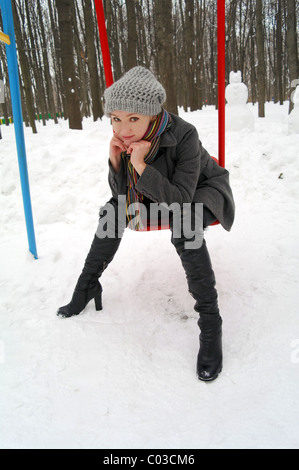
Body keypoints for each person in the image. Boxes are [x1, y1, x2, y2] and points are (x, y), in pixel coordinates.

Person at [57, 66, 235, 382]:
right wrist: (117, 163)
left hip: (201, 192)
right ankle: (86, 286)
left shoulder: (185, 135)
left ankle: (211, 325)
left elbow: (181, 198)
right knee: (112, 212)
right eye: (116, 118)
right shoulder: (125, 139)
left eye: (133, 119)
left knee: (185, 222)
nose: (123, 129)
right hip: (159, 193)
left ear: (152, 114)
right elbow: (121, 197)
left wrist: (139, 163)